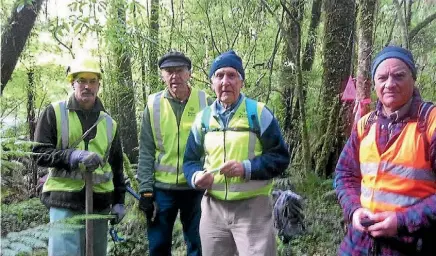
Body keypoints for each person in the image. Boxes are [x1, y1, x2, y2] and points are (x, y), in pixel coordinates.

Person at [183, 50, 290, 256]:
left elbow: (280, 158)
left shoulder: (258, 113)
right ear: (212, 82)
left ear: (241, 81)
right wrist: (196, 177)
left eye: (232, 75)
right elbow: (189, 161)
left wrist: (246, 168)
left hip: (253, 210)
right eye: (219, 75)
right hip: (213, 210)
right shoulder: (203, 119)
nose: (225, 81)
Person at [335, 46, 436, 255]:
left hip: (413, 243)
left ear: (413, 78)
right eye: (382, 78)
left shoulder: (430, 122)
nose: (390, 84)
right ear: (375, 83)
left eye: (399, 76)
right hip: (360, 241)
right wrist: (354, 210)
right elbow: (344, 174)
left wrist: (402, 221)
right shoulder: (365, 124)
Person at [33, 56, 126, 256]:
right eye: (82, 81)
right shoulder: (54, 113)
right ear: (73, 83)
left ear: (98, 86)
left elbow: (116, 166)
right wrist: (72, 156)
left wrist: (119, 201)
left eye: (92, 81)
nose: (87, 86)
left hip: (99, 204)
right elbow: (39, 153)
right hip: (64, 202)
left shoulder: (109, 123)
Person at [137, 51, 211, 256]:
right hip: (162, 190)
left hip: (196, 186)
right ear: (162, 75)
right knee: (159, 246)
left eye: (179, 71)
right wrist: (145, 190)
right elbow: (146, 150)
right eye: (169, 71)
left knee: (199, 245)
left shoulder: (206, 102)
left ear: (189, 74)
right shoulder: (153, 105)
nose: (174, 76)